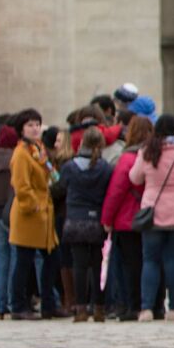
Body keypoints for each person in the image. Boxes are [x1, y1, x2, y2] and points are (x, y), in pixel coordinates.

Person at [129, 115, 174, 321]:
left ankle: (147, 307)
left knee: (150, 260)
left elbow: (134, 177)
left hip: (153, 213)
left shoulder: (148, 152)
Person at [8, 110, 62, 320]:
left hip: (44, 214)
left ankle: (49, 303)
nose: (35, 128)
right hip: (29, 215)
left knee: (52, 259)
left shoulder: (37, 149)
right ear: (22, 128)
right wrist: (35, 207)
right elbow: (21, 186)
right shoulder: (21, 153)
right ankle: (18, 306)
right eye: (30, 125)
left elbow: (49, 175)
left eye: (37, 125)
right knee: (23, 262)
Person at [100, 116, 152, 321]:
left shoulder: (128, 158)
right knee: (147, 262)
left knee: (129, 266)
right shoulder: (153, 155)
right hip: (150, 217)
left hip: (127, 219)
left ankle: (132, 305)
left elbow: (116, 191)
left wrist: (107, 218)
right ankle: (152, 304)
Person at [59, 126, 112, 321]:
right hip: (96, 220)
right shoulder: (105, 167)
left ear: (81, 143)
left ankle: (80, 308)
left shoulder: (70, 167)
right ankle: (98, 307)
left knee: (79, 265)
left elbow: (60, 188)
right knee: (98, 265)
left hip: (75, 220)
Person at [0, 124, 17, 318]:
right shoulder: (16, 158)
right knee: (16, 257)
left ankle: (0, 305)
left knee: (2, 259)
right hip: (12, 212)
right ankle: (13, 299)